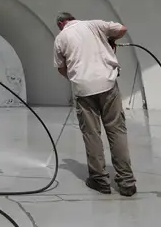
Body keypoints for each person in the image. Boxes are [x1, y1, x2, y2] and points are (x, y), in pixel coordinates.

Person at [53, 12, 137, 197]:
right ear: (74, 18)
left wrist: (76, 80)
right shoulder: (95, 25)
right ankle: (126, 182)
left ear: (61, 23)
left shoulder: (61, 38)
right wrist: (110, 38)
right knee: (116, 131)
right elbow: (122, 29)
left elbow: (61, 67)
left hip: (84, 91)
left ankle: (99, 180)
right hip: (107, 85)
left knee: (92, 134)